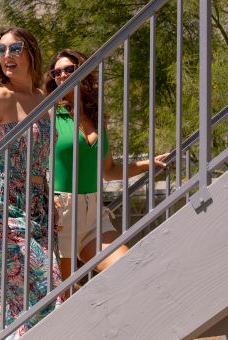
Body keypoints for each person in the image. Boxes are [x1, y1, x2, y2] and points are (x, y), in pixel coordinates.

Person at [0, 27, 63, 339]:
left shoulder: (46, 99)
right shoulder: (0, 98)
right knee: (46, 284)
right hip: (0, 206)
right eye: (0, 49)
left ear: (30, 51)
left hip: (37, 205)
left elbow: (44, 159)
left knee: (23, 299)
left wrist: (50, 196)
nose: (6, 56)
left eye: (14, 48)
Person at [44, 49, 168, 281]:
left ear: (82, 72)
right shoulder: (49, 115)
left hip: (93, 213)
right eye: (56, 72)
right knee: (63, 294)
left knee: (127, 270)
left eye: (68, 69)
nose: (61, 75)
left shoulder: (95, 118)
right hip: (62, 211)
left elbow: (108, 171)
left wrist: (147, 164)